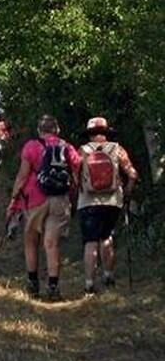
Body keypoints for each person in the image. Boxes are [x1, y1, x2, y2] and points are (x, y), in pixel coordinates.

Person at [7, 115, 80, 301]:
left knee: (31, 240)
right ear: (57, 130)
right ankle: (53, 286)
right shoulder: (67, 147)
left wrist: (14, 200)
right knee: (52, 243)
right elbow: (77, 172)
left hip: (34, 198)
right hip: (59, 199)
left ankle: (33, 283)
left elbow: (22, 175)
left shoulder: (31, 146)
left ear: (39, 130)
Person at [77, 117, 138, 295]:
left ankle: (89, 284)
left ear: (89, 134)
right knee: (106, 237)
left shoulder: (83, 151)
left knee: (90, 241)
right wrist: (127, 192)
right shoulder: (117, 149)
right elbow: (132, 174)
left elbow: (74, 175)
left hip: (88, 201)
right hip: (112, 201)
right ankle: (108, 276)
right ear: (106, 132)